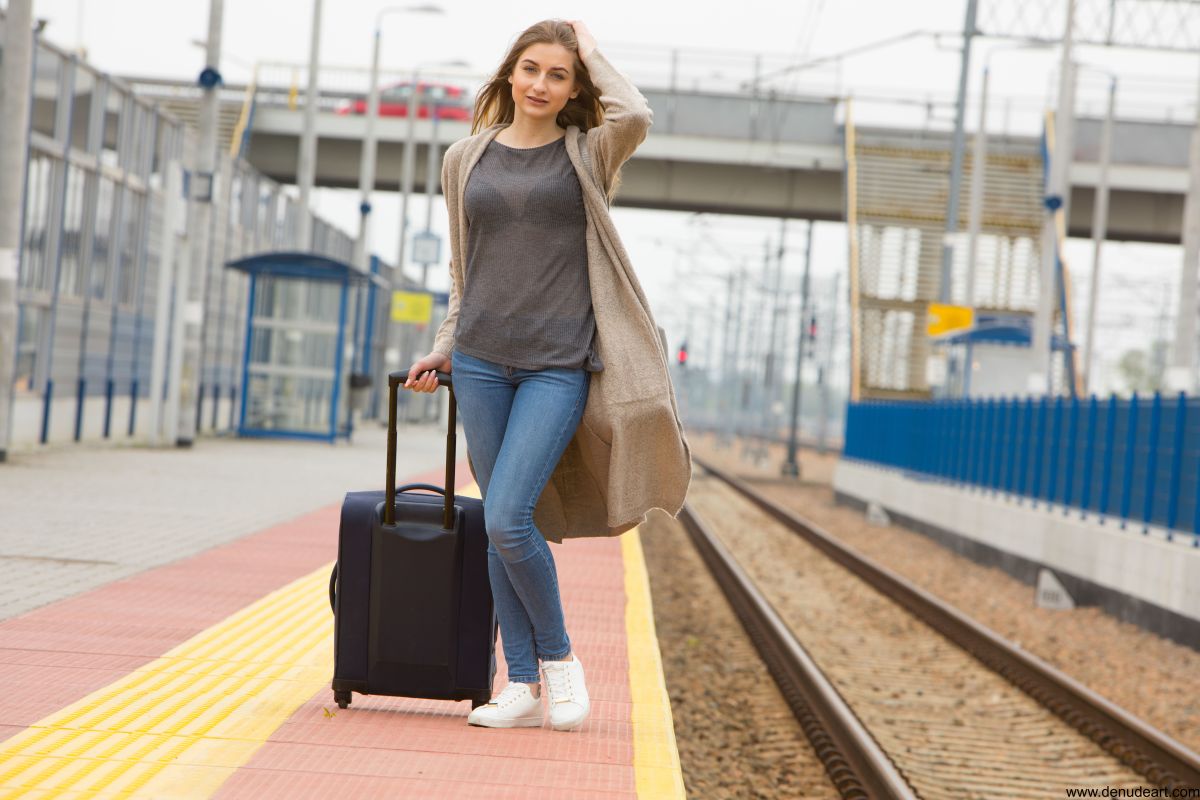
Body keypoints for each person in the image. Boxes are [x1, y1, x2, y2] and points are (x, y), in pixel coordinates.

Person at [402, 18, 691, 732]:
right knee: (508, 523)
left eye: (558, 75)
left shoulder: (588, 153)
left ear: (573, 88)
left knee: (504, 515)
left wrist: (591, 51)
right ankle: (520, 682)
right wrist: (445, 345)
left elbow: (638, 114)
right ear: (509, 74)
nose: (540, 84)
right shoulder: (464, 159)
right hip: (479, 363)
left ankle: (560, 663)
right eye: (531, 69)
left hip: (557, 367)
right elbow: (463, 273)